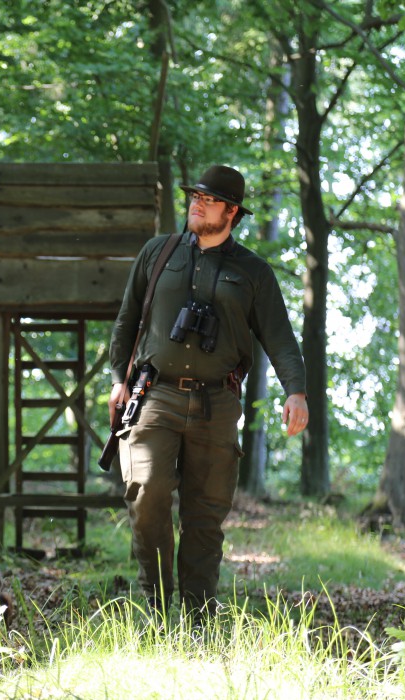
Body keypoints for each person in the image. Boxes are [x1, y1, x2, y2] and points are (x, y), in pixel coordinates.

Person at [108, 164, 308, 624]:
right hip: (154, 395)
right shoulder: (158, 253)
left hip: (218, 405)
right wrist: (119, 378)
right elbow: (126, 319)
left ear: (231, 211)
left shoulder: (253, 272)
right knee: (147, 493)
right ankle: (158, 612)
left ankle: (198, 621)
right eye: (194, 196)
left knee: (205, 517)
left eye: (208, 199)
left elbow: (280, 337)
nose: (196, 203)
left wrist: (295, 392)